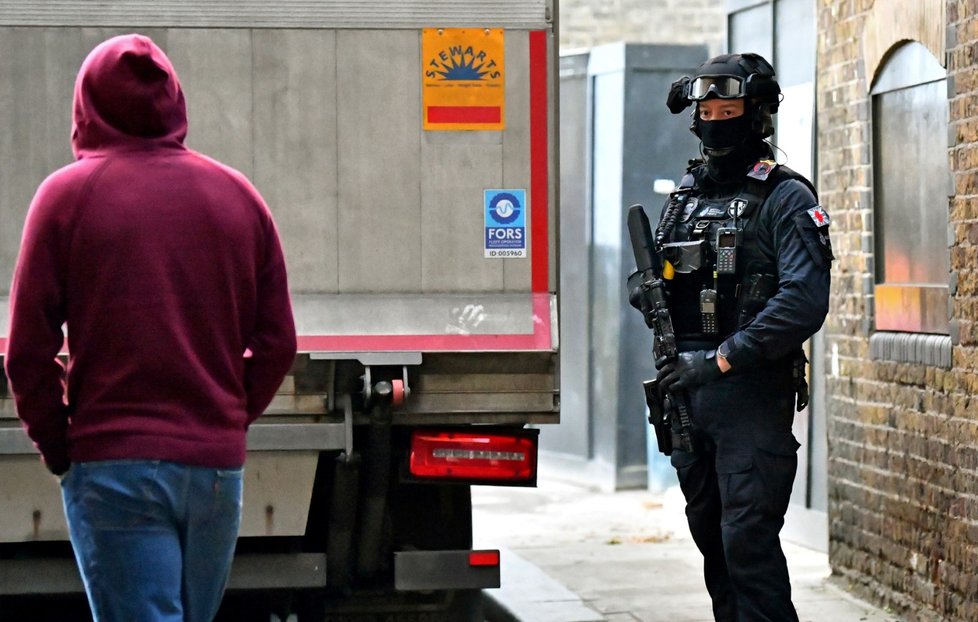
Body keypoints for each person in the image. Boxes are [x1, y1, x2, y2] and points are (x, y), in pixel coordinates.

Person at [4, 34, 297, 622]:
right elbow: (277, 342)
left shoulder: (64, 198)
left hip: (114, 465)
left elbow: (27, 352)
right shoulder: (238, 196)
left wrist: (59, 446)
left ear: (87, 107)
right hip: (215, 473)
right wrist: (226, 417)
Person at [637, 53, 833, 621]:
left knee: (747, 543)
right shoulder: (685, 197)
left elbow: (801, 302)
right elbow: (662, 276)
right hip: (687, 400)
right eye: (707, 110)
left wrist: (722, 360)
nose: (716, 120)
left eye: (729, 109)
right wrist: (646, 289)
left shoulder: (787, 197)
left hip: (748, 396)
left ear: (756, 115)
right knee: (714, 548)